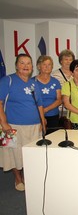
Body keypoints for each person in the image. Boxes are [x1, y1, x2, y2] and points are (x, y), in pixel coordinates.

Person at [0, 53, 45, 191]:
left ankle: (26, 176)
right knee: (11, 152)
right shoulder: (7, 80)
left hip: (33, 125)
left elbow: (39, 104)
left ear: (32, 67)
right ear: (16, 65)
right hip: (11, 126)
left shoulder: (33, 83)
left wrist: (43, 122)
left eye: (28, 63)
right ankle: (17, 178)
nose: (26, 66)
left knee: (29, 153)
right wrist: (4, 124)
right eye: (22, 63)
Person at [35, 55, 62, 134]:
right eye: (44, 64)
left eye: (49, 64)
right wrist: (41, 113)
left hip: (53, 115)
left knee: (53, 139)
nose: (47, 67)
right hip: (37, 116)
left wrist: (45, 110)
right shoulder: (32, 81)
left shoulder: (55, 81)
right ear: (39, 66)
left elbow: (59, 100)